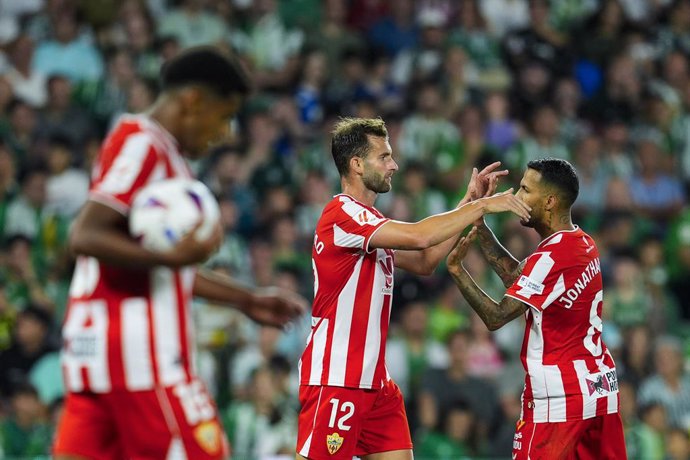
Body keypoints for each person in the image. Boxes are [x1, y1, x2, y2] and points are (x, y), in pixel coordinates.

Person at [52, 46, 306, 460]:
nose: (224, 132)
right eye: (224, 116)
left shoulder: (158, 154)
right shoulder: (145, 143)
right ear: (192, 101)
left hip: (96, 358)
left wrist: (244, 297)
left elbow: (145, 265)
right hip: (142, 360)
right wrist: (175, 257)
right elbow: (85, 234)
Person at [295, 117, 531, 460]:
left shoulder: (370, 226)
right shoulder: (342, 214)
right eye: (384, 156)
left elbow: (425, 261)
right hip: (337, 377)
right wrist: (482, 206)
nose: (394, 165)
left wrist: (468, 201)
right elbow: (421, 236)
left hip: (376, 382)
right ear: (356, 164)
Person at [446, 157, 627, 459]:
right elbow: (514, 276)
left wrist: (457, 271)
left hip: (559, 400)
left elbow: (496, 316)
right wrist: (480, 220)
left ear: (549, 201)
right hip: (599, 390)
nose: (515, 197)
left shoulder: (552, 257)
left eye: (525, 190)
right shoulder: (581, 242)